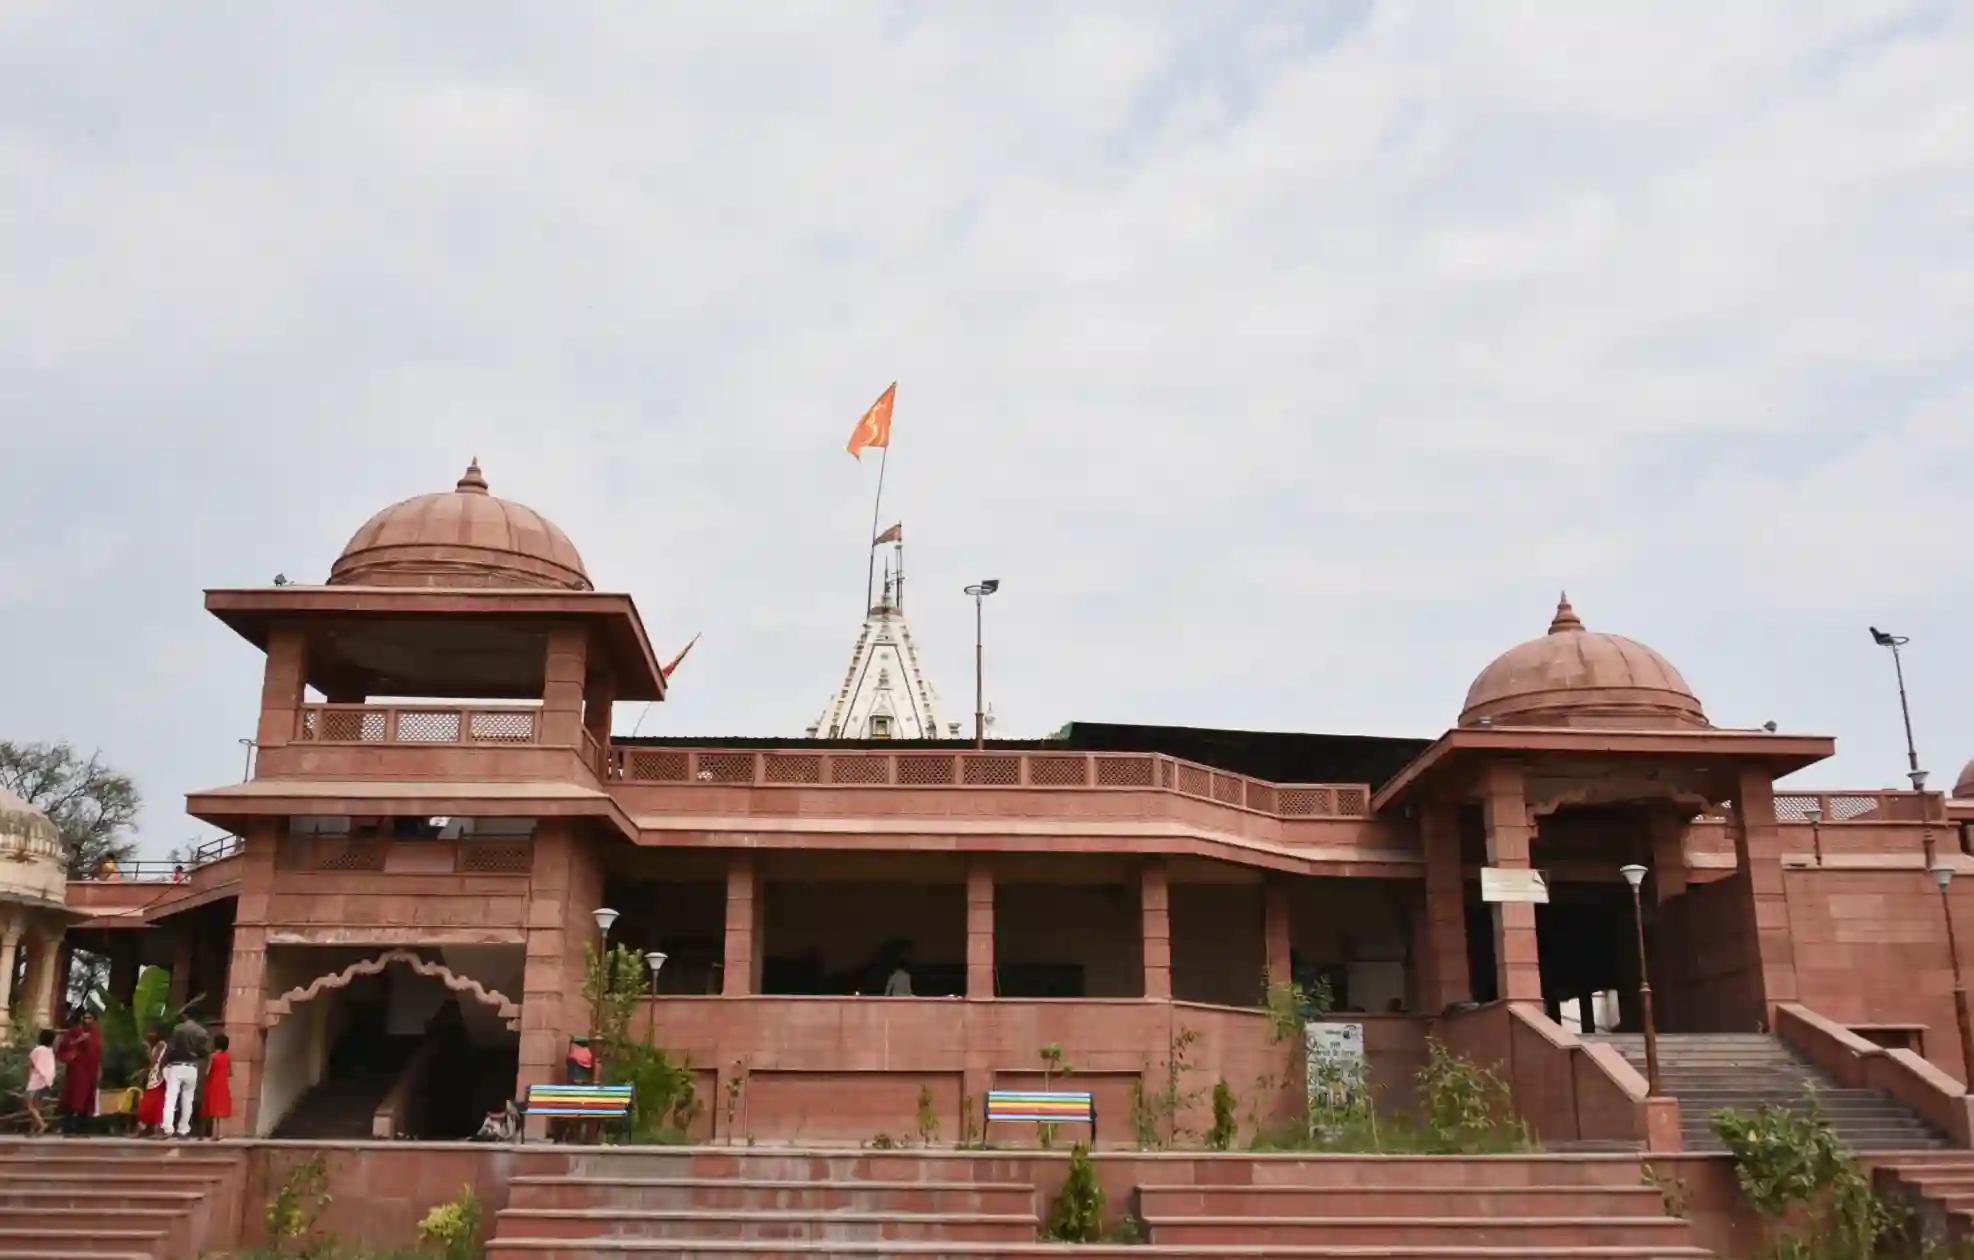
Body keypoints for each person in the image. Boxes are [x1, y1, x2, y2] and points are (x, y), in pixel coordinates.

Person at [161, 1012, 211, 1138]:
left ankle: (168, 1128)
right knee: (188, 1100)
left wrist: (163, 1062)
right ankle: (183, 1129)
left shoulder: (178, 1029)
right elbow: (204, 1052)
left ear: (185, 1017)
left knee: (171, 1098)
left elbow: (170, 1048)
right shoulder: (201, 1031)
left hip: (177, 1066)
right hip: (192, 1067)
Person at [55, 1010, 102, 1134]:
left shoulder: (96, 1033)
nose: (87, 1020)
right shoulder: (75, 1031)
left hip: (91, 1071)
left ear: (94, 1020)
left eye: (90, 1018)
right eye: (85, 1017)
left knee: (86, 1100)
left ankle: (83, 1129)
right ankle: (68, 1128)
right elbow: (64, 1046)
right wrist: (79, 1040)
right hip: (77, 1070)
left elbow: (98, 1053)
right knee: (73, 1098)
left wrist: (99, 1071)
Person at [135, 1026, 167, 1136]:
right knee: (150, 1104)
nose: (149, 1036)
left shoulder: (161, 1045)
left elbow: (154, 1061)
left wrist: (147, 1048)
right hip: (153, 1077)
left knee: (152, 1103)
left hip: (158, 1078)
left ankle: (153, 1128)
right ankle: (147, 1128)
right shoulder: (157, 1046)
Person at [24, 1030, 57, 1136]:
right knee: (37, 1106)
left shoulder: (37, 1050)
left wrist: (28, 1080)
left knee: (30, 1106)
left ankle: (42, 1124)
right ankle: (32, 1130)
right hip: (45, 1082)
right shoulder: (50, 1051)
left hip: (35, 1081)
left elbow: (30, 1064)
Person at [202, 1033, 232, 1138]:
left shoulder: (213, 1056)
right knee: (219, 1108)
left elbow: (207, 1071)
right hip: (223, 1083)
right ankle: (218, 1133)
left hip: (213, 1083)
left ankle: (208, 1133)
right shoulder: (227, 1057)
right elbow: (230, 1073)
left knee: (210, 1107)